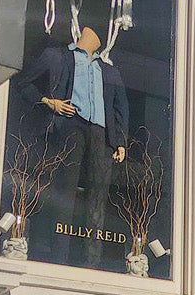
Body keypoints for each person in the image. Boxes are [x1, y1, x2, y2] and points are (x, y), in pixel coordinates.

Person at [15, 26, 129, 266]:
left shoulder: (109, 71)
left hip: (101, 133)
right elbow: (23, 81)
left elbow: (120, 109)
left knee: (98, 195)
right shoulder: (57, 56)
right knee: (65, 191)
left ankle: (92, 261)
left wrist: (120, 142)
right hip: (70, 125)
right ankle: (59, 258)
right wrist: (48, 101)